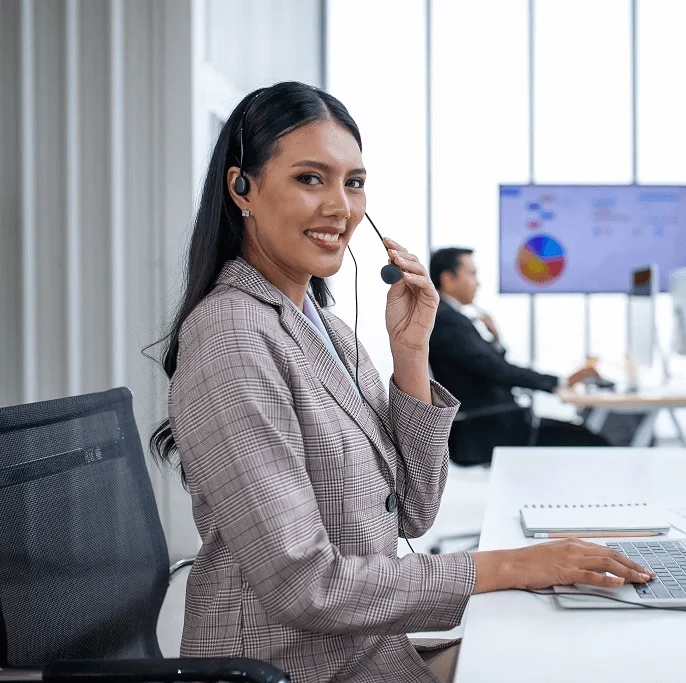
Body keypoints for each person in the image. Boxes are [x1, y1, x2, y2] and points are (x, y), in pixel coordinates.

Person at [150, 82, 651, 683]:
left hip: (371, 651)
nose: (340, 207)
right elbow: (304, 585)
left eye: (353, 182)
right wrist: (512, 566)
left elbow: (414, 510)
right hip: (294, 669)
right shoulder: (232, 336)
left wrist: (411, 353)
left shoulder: (329, 332)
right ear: (243, 189)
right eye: (311, 178)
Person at [427, 247, 610, 465]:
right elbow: (498, 370)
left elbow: (487, 365)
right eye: (472, 274)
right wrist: (561, 381)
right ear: (448, 279)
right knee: (594, 442)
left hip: (493, 422)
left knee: (584, 435)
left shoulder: (449, 317)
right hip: (489, 429)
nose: (478, 283)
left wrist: (495, 339)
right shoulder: (449, 321)